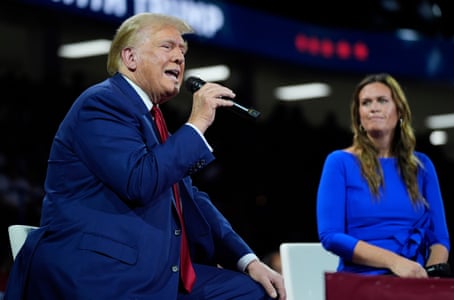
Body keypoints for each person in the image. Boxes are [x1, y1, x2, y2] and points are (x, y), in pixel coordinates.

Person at [4, 13, 285, 300]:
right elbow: (139, 181)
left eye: (182, 51)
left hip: (153, 273)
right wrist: (197, 122)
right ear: (130, 58)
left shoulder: (151, 119)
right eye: (167, 47)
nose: (179, 57)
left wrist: (248, 261)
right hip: (101, 273)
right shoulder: (102, 103)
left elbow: (190, 198)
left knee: (252, 291)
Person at [316, 73, 450, 278]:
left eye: (382, 100)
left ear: (399, 110)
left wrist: (426, 278)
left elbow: (440, 240)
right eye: (366, 103)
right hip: (361, 280)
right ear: (358, 114)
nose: (373, 107)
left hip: (414, 279)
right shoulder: (339, 162)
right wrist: (395, 263)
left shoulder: (422, 166)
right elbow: (330, 236)